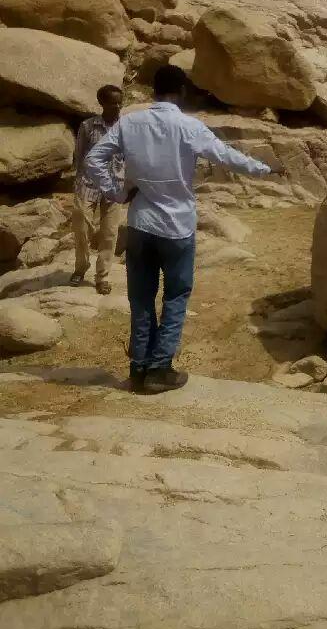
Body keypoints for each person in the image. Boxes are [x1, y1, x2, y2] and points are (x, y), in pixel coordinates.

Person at [85, 65, 276, 395]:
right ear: (182, 91)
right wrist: (265, 169)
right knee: (175, 297)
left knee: (141, 299)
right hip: (177, 227)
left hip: (140, 224)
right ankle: (160, 369)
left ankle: (139, 369)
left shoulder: (129, 122)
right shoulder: (189, 126)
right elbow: (227, 156)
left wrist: (115, 192)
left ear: (153, 91)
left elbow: (93, 159)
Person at [71, 84, 125, 295]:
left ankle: (102, 277)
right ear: (102, 103)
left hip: (114, 185)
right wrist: (77, 183)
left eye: (120, 102)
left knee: (110, 233)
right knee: (81, 227)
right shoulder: (88, 126)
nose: (117, 106)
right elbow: (79, 156)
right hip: (88, 184)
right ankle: (81, 266)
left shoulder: (126, 127)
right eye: (113, 103)